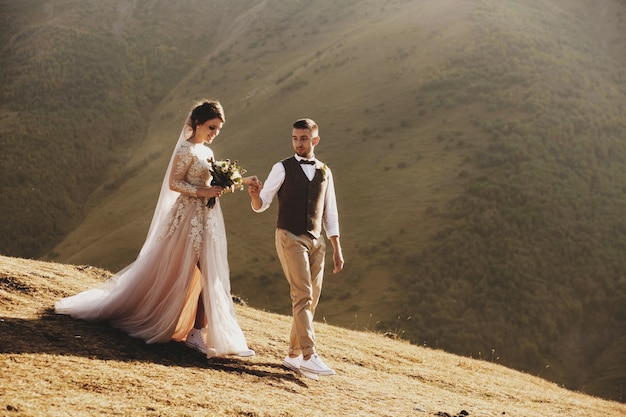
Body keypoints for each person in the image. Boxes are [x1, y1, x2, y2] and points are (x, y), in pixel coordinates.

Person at [55, 99, 257, 359]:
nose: (214, 133)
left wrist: (240, 182)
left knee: (211, 275)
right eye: (211, 127)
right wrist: (201, 191)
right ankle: (195, 332)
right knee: (205, 274)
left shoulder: (207, 152)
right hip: (187, 221)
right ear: (196, 123)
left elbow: (215, 184)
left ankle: (199, 331)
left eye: (218, 129)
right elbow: (174, 183)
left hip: (208, 219)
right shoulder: (186, 150)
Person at [248, 118, 344, 379]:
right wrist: (255, 195)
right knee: (302, 294)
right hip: (289, 236)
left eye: (303, 138)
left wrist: (337, 247)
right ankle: (310, 355)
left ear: (315, 140)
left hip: (317, 241)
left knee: (311, 298)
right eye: (294, 138)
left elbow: (330, 212)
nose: (298, 143)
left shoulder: (325, 170)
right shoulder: (282, 168)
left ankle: (292, 355)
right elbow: (262, 204)